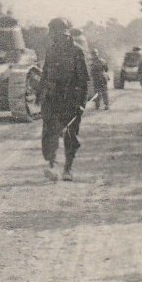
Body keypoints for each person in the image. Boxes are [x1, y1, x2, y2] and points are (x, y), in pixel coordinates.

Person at [39, 17, 90, 182]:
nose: (52, 36)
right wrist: (41, 93)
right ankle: (52, 165)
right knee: (49, 132)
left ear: (64, 33)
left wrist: (81, 103)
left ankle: (68, 168)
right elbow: (45, 73)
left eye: (54, 32)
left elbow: (83, 81)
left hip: (71, 100)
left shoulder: (77, 52)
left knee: (70, 135)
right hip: (53, 99)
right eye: (52, 33)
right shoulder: (51, 51)